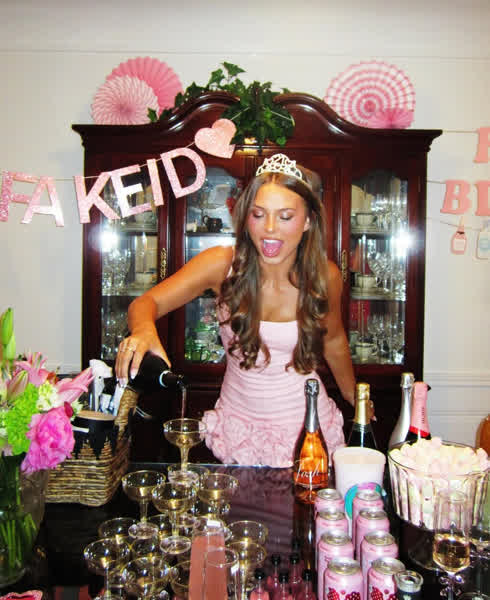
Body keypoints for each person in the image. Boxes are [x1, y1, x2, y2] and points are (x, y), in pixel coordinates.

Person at [115, 153, 356, 467]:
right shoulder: (221, 264)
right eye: (258, 214)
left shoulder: (325, 276)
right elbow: (146, 303)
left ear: (308, 221)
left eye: (285, 216)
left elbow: (334, 341)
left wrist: (356, 398)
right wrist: (144, 330)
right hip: (239, 428)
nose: (270, 229)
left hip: (307, 429)